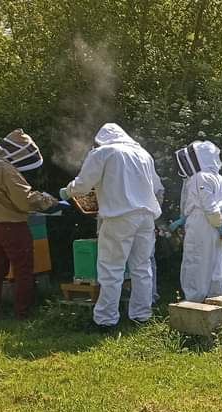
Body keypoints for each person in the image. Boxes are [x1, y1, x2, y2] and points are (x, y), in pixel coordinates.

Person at [61, 123, 163, 329]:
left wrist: (67, 190)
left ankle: (105, 320)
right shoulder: (143, 154)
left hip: (119, 217)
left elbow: (83, 185)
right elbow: (158, 187)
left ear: (101, 139)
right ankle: (141, 316)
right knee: (142, 268)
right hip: (146, 216)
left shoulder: (103, 152)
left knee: (111, 269)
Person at [0, 129, 64, 320]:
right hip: (12, 228)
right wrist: (49, 201)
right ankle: (23, 314)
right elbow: (24, 200)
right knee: (23, 270)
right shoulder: (6, 170)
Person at [168, 141, 222, 303]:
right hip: (216, 224)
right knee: (215, 264)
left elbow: (209, 207)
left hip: (203, 224)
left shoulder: (200, 177)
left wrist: (220, 224)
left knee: (195, 262)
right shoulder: (218, 177)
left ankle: (194, 304)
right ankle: (217, 301)